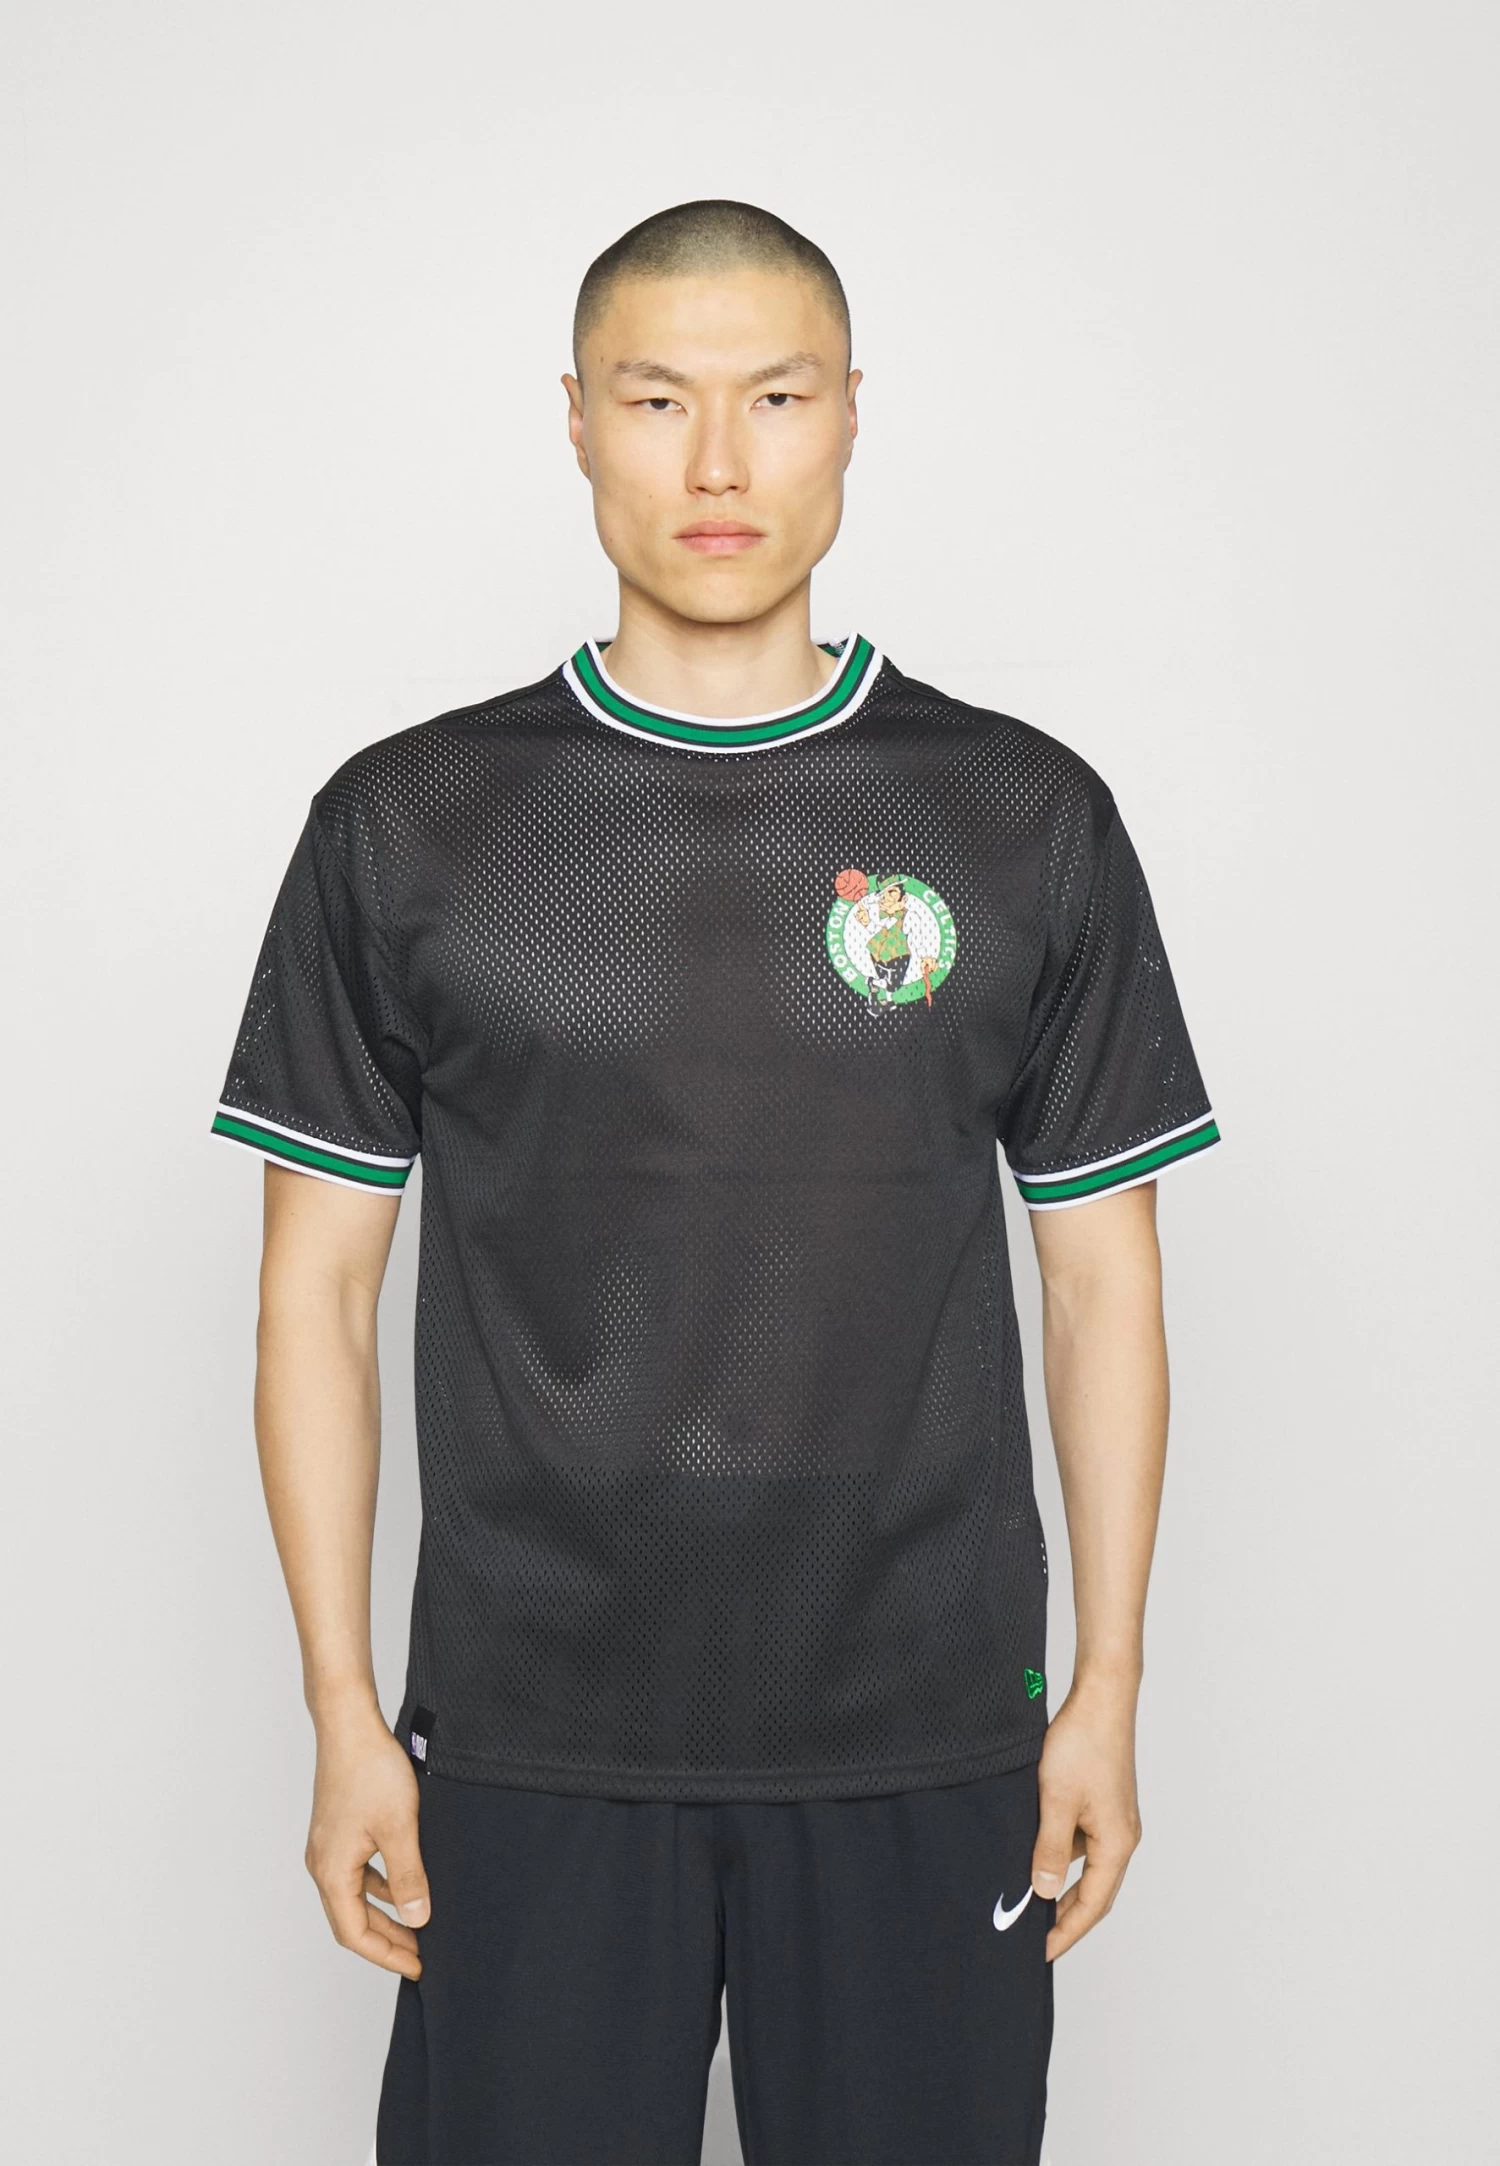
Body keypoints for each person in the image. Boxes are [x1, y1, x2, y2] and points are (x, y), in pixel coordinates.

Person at [211, 199, 1221, 2166]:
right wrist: (340, 1706)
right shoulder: (410, 824)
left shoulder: (1021, 816)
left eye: (777, 395)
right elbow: (312, 1299)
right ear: (577, 420)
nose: (720, 462)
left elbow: (1105, 1284)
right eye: (659, 398)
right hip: (530, 1730)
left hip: (925, 1725)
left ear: (852, 414)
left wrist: (1105, 1684)